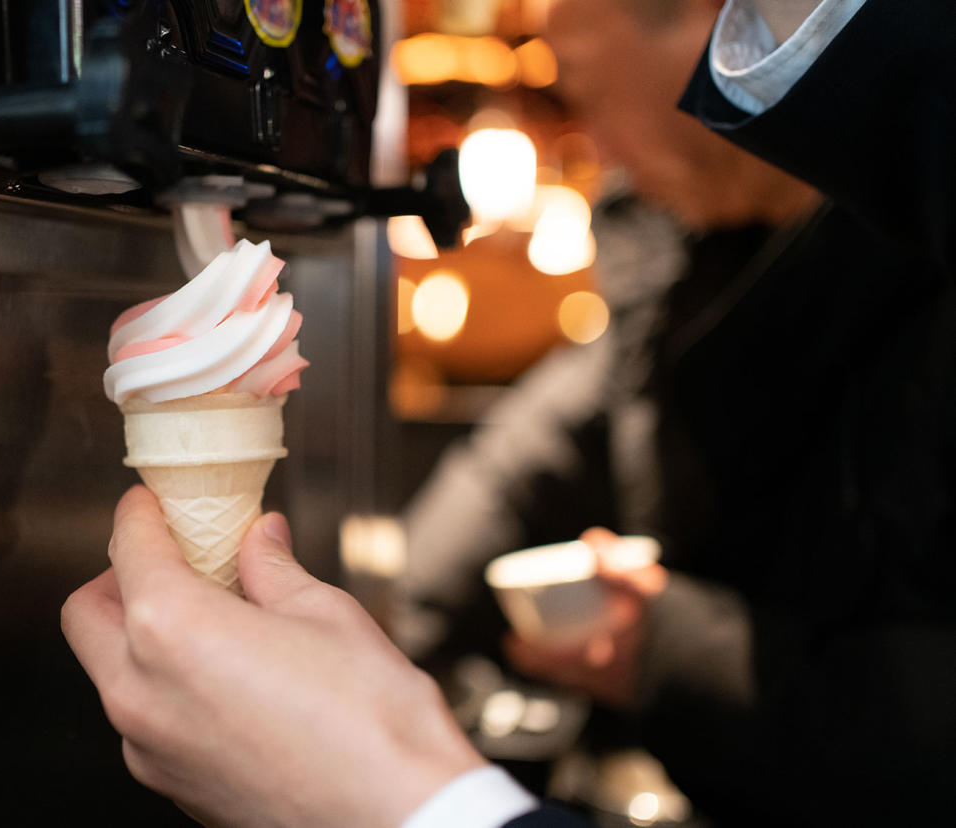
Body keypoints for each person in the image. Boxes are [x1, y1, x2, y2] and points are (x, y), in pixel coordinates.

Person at [60, 1, 956, 825]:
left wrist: (666, 649)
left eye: (590, 95)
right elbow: (539, 450)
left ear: (714, 32)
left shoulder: (914, 285)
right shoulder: (684, 253)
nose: (595, 142)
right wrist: (391, 626)